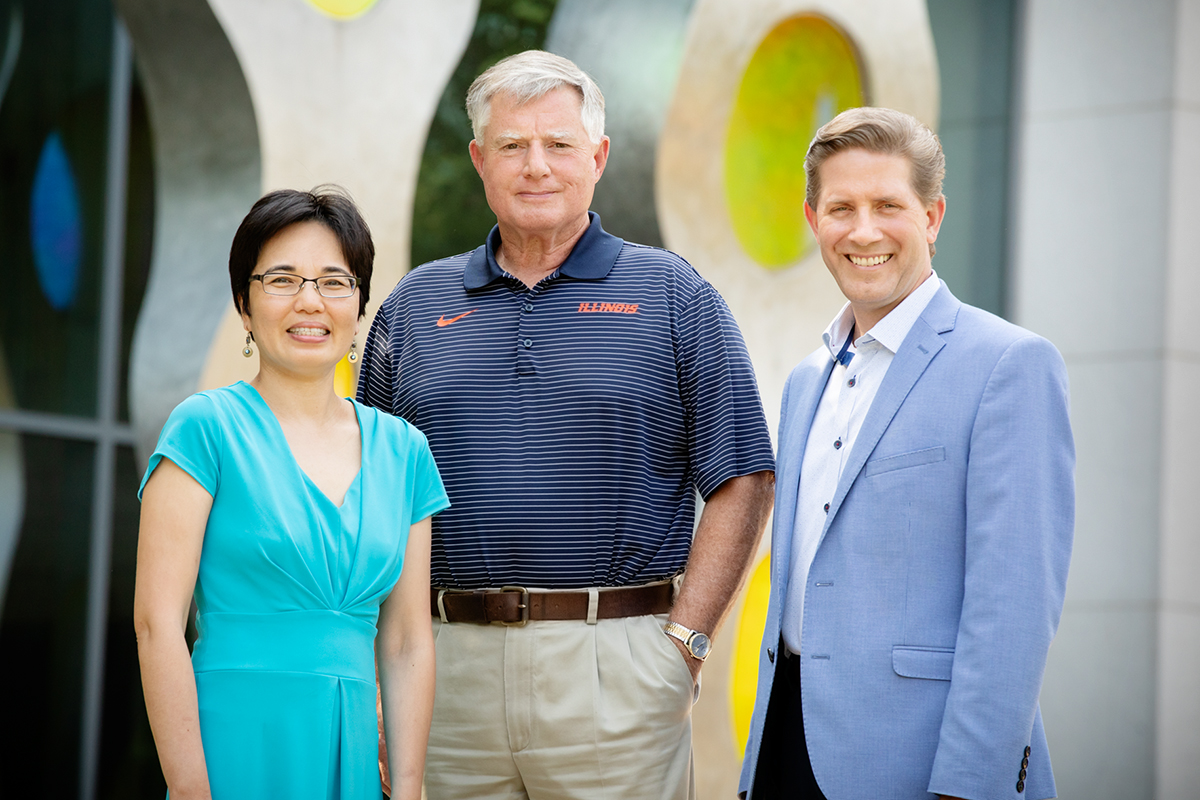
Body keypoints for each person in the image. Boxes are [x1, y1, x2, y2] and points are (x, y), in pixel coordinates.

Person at [356, 50, 775, 800]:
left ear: (599, 157)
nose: (536, 166)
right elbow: (370, 502)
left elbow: (743, 475)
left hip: (618, 668)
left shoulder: (674, 295)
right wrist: (377, 669)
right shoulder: (413, 308)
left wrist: (684, 643)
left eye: (559, 144)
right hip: (444, 673)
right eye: (513, 146)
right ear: (480, 161)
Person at [738, 106, 1075, 800]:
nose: (864, 231)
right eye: (842, 208)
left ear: (932, 217)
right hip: (786, 750)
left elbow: (1012, 605)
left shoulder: (1008, 365)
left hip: (921, 765)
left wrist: (968, 784)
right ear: (813, 221)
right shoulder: (806, 381)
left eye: (888, 205)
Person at [133, 187, 448, 800]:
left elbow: (408, 639)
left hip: (352, 753)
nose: (311, 301)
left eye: (335, 282)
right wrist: (192, 790)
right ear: (244, 306)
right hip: (233, 744)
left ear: (358, 307)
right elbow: (156, 625)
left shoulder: (403, 450)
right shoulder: (206, 428)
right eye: (282, 279)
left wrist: (407, 790)